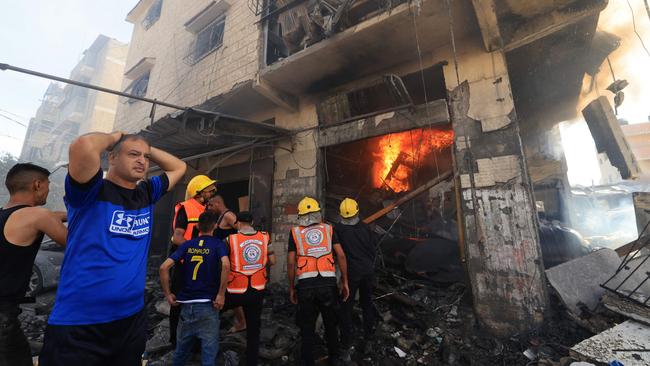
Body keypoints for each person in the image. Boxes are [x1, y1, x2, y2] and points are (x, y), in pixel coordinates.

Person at [39, 132, 186, 365]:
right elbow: (83, 145)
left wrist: (145, 146)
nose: (142, 161)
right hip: (80, 324)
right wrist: (119, 135)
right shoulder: (91, 190)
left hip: (131, 320)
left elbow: (179, 167)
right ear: (113, 157)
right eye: (133, 154)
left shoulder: (146, 192)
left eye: (145, 157)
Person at [0, 163, 67, 366]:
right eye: (48, 184)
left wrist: (66, 215)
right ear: (37, 184)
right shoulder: (39, 215)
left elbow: (52, 216)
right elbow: (78, 246)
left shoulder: (6, 214)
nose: (50, 189)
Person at [159, 212, 229, 366]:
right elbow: (226, 265)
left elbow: (164, 267)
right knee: (209, 356)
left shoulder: (187, 244)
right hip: (208, 306)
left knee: (180, 353)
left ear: (197, 226)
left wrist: (168, 294)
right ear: (215, 226)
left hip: (186, 307)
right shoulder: (218, 245)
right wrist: (221, 294)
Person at [287, 196, 350, 366]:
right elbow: (341, 255)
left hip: (305, 286)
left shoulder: (295, 233)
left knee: (307, 327)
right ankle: (334, 358)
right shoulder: (329, 229)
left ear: (300, 215)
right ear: (318, 212)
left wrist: (291, 287)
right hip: (328, 284)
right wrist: (344, 282)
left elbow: (291, 262)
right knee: (330, 324)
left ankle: (307, 361)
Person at [223, 211, 276, 366]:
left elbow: (223, 264)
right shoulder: (265, 237)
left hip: (235, 291)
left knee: (213, 314)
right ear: (252, 222)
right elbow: (272, 261)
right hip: (257, 290)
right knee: (254, 330)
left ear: (237, 223)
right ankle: (251, 362)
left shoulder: (229, 239)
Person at [169, 174, 216, 344]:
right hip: (184, 264)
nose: (212, 194)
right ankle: (174, 340)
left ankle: (194, 340)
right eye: (210, 191)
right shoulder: (186, 208)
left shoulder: (205, 211)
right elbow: (177, 237)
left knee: (197, 301)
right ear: (199, 193)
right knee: (178, 301)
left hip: (200, 263)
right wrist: (197, 249)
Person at [334, 198, 378, 355]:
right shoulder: (365, 228)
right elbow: (372, 250)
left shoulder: (338, 230)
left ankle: (346, 342)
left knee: (346, 306)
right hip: (367, 271)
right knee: (367, 304)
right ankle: (369, 337)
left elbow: (337, 254)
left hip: (351, 274)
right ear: (357, 212)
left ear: (340, 214)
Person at [207, 194, 245, 332]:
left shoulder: (228, 216)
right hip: (219, 259)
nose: (209, 208)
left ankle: (242, 321)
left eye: (211, 205)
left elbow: (242, 228)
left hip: (227, 260)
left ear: (217, 203)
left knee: (229, 290)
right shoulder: (220, 217)